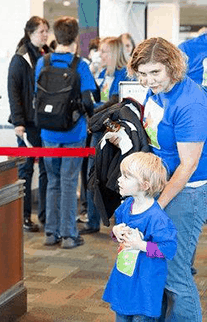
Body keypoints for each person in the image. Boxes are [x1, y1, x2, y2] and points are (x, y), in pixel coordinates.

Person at [119, 37, 207, 321]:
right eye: (142, 74)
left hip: (187, 193)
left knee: (174, 272)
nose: (148, 80)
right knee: (155, 266)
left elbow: (189, 164)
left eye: (155, 72)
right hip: (160, 187)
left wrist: (157, 205)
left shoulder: (190, 101)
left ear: (172, 67)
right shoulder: (156, 93)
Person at [35, 16, 97, 249]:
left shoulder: (44, 62)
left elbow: (37, 95)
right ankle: (69, 235)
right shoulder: (79, 65)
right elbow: (88, 100)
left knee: (53, 181)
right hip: (74, 131)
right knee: (70, 182)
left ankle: (51, 233)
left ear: (55, 36)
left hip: (48, 132)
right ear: (76, 38)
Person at [103, 152, 177, 321]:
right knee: (121, 315)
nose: (119, 179)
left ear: (144, 185)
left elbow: (168, 249)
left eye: (126, 176)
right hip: (125, 276)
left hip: (146, 284)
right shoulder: (127, 205)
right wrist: (116, 231)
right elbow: (120, 233)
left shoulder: (158, 219)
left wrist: (141, 245)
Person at [80, 36, 131, 235]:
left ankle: (118, 221)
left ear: (115, 53)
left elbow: (117, 105)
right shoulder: (101, 73)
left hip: (113, 134)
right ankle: (92, 221)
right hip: (97, 131)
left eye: (104, 51)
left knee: (114, 178)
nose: (100, 55)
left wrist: (97, 114)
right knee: (93, 176)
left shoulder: (123, 75)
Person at [7, 16, 50, 232]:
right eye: (41, 31)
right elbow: (13, 91)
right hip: (26, 124)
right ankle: (24, 216)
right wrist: (18, 122)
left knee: (45, 169)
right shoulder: (20, 57)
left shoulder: (47, 54)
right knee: (25, 170)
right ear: (30, 33)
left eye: (46, 31)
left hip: (44, 122)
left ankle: (44, 215)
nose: (45, 35)